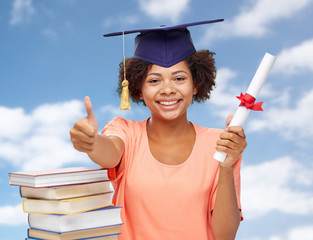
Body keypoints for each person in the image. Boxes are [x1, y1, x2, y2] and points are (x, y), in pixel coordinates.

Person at [69, 19, 245, 240]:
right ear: (138, 89)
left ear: (196, 84)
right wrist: (92, 142)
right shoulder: (126, 131)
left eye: (179, 78)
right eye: (154, 80)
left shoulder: (221, 143)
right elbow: (110, 154)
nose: (168, 89)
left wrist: (227, 166)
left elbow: (225, 236)